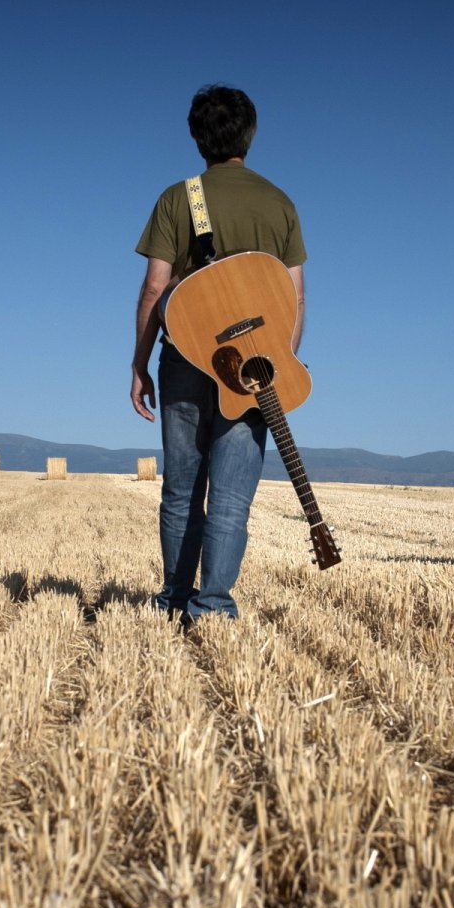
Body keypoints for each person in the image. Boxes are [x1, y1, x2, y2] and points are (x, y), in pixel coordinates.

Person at [131, 85, 307, 622]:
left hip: (185, 358)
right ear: (249, 137)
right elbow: (294, 297)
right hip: (254, 369)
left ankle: (174, 600)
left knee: (182, 490)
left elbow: (156, 290)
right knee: (231, 498)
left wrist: (138, 362)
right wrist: (271, 366)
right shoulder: (279, 204)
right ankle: (213, 607)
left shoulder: (176, 198)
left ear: (196, 137)